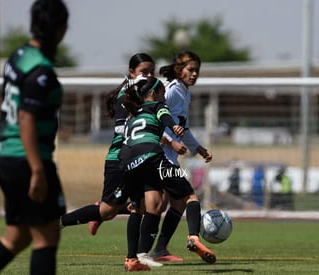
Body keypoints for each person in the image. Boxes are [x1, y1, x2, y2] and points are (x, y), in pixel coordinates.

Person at [0, 1, 69, 274]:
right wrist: (38, 170)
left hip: (6, 156)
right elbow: (26, 118)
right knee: (47, 236)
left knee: (17, 237)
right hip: (27, 159)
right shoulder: (41, 71)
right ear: (60, 29)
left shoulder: (18, 55)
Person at [60, 53, 157, 271]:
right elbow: (124, 130)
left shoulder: (142, 94)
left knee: (111, 210)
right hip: (121, 159)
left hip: (130, 158)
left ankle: (60, 222)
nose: (149, 75)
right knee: (133, 206)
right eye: (144, 71)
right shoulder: (128, 96)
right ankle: (132, 259)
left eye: (152, 71)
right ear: (131, 73)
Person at [121, 77, 216, 265]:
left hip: (127, 163)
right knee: (190, 197)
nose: (165, 97)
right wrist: (174, 127)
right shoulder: (157, 106)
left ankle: (134, 258)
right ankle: (193, 237)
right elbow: (165, 116)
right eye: (163, 93)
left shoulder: (134, 114)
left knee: (138, 209)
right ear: (153, 94)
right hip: (153, 159)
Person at [145, 50, 213, 262]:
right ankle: (191, 238)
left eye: (197, 71)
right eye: (190, 70)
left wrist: (198, 148)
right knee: (186, 198)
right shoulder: (172, 90)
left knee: (168, 204)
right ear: (178, 70)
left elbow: (183, 127)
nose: (194, 74)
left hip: (169, 157)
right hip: (160, 156)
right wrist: (171, 141)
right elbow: (155, 117)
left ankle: (159, 250)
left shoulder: (185, 93)